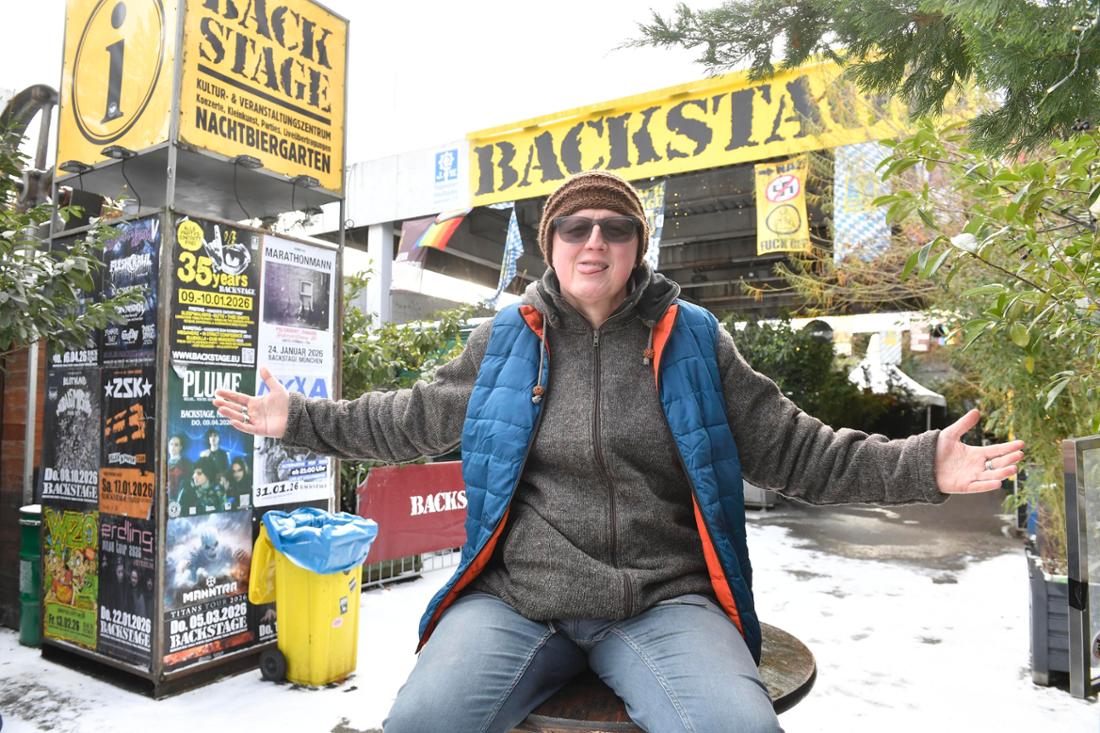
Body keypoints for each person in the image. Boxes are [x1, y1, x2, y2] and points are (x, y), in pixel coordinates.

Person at [214, 170, 1025, 733]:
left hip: (664, 602)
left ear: (639, 244)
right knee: (422, 721)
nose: (593, 240)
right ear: (550, 244)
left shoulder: (694, 340)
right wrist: (301, 420)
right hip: (519, 598)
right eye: (575, 226)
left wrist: (922, 465)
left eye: (615, 228)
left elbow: (797, 450)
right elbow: (410, 419)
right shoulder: (508, 339)